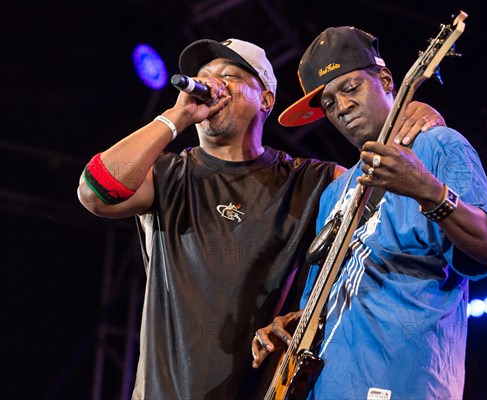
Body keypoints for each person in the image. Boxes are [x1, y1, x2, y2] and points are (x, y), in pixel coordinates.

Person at [77, 36, 445, 399]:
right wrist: (177, 116)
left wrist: (420, 120)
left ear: (266, 99)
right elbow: (96, 193)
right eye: (206, 76)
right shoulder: (167, 174)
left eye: (230, 77)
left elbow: (390, 192)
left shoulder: (312, 179)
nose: (213, 85)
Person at [252, 26, 487, 400]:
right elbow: (325, 297)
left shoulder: (440, 145)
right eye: (328, 103)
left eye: (350, 88)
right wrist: (293, 322)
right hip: (325, 386)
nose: (341, 107)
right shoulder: (335, 193)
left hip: (404, 378)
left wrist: (428, 190)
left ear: (386, 80)